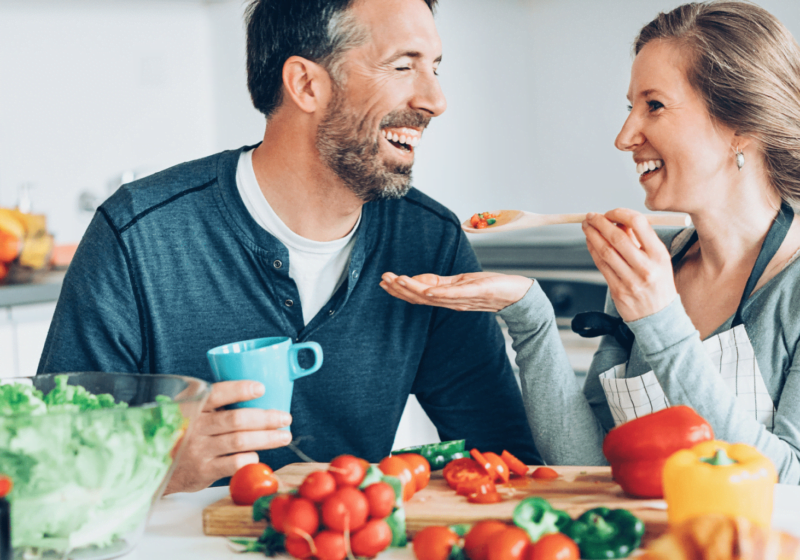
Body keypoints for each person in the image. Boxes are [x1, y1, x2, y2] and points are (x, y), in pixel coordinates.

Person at [38, 0, 540, 493]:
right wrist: (154, 467)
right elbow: (47, 469)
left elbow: (501, 457)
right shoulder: (138, 236)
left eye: (434, 67)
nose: (435, 99)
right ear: (305, 84)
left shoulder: (428, 240)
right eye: (403, 66)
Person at [381, 1, 800, 483]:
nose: (625, 136)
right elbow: (590, 466)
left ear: (741, 126)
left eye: (654, 105)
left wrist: (660, 321)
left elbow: (787, 482)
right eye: (630, 108)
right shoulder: (647, 263)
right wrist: (530, 315)